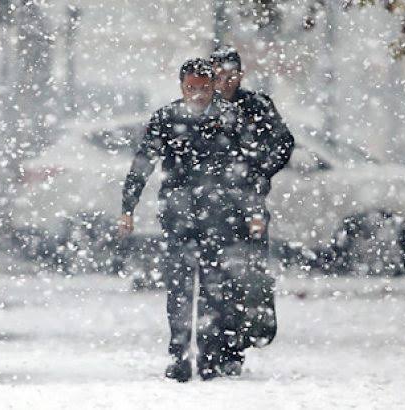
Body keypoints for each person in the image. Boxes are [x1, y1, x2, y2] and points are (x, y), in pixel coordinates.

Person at [119, 58, 255, 381]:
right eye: (191, 88)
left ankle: (208, 356)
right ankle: (180, 355)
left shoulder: (229, 119)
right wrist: (128, 206)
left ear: (213, 87)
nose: (197, 95)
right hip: (179, 216)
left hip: (218, 217)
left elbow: (247, 170)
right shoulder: (167, 118)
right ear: (182, 87)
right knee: (180, 287)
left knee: (212, 287)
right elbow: (143, 162)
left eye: (204, 89)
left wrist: (250, 211)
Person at [209, 46, 295, 369]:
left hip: (249, 205)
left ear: (239, 75)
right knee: (216, 276)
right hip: (213, 207)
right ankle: (219, 343)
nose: (225, 81)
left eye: (230, 75)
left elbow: (283, 142)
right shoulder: (204, 108)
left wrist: (259, 169)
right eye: (219, 75)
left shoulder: (256, 106)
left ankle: (240, 341)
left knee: (250, 276)